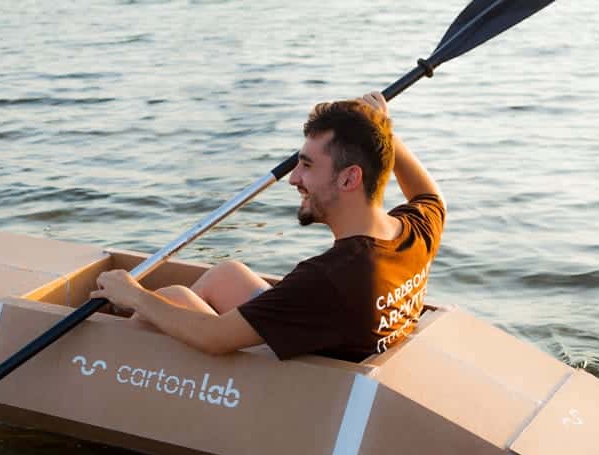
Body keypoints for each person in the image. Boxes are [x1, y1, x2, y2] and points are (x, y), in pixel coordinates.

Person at [91, 91, 445, 361]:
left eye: (307, 165)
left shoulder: (329, 278)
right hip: (337, 337)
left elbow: (215, 338)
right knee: (227, 275)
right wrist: (382, 132)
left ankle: (105, 371)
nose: (293, 178)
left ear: (350, 178)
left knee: (170, 300)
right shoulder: (415, 231)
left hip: (304, 384)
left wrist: (133, 294)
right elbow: (431, 197)